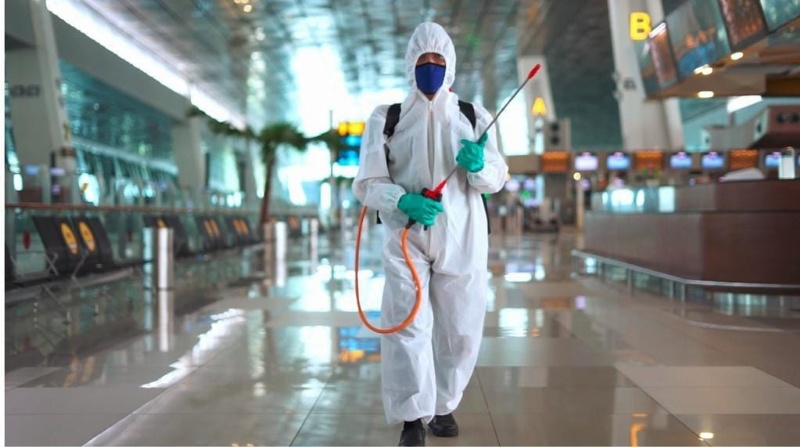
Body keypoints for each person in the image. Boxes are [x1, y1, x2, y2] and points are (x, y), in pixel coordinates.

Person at [352, 22, 508, 446]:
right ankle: (411, 419)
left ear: (451, 64)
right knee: (408, 324)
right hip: (407, 238)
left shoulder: (474, 116)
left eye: (439, 60)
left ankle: (444, 406)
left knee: (460, 327)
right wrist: (400, 200)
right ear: (410, 64)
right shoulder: (388, 118)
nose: (431, 67)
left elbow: (496, 178)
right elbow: (367, 182)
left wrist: (479, 165)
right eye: (424, 60)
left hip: (463, 237)